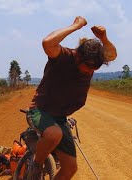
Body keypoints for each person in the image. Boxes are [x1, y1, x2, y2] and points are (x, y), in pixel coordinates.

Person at [26, 16, 117, 180]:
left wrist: (103, 38)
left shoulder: (92, 62)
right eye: (87, 68)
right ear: (79, 56)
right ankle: (36, 165)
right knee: (54, 134)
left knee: (70, 169)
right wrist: (76, 25)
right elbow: (48, 42)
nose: (89, 72)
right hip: (40, 111)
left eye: (93, 70)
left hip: (60, 118)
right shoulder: (63, 56)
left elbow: (111, 55)